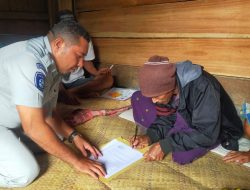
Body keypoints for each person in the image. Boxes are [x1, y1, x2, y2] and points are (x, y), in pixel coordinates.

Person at [0, 20, 106, 188]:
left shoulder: (53, 65)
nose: (80, 64)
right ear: (58, 44)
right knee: (25, 172)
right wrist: (77, 161)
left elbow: (48, 112)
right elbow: (33, 127)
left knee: (57, 137)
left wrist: (74, 136)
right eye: (79, 55)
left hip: (9, 118)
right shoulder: (29, 61)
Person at [130, 55, 243, 164]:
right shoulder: (165, 89)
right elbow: (165, 116)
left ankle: (217, 137)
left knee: (181, 156)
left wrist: (165, 145)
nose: (154, 101)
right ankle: (177, 128)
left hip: (215, 128)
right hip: (185, 114)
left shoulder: (203, 87)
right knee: (138, 97)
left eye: (157, 96)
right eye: (152, 97)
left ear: (171, 87)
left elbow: (206, 133)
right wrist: (150, 136)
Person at [56, 10, 113, 105]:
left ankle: (72, 93)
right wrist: (60, 90)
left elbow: (86, 62)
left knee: (108, 79)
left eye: (71, 24)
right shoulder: (56, 42)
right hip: (58, 84)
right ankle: (69, 94)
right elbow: (51, 74)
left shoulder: (84, 38)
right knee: (52, 90)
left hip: (78, 82)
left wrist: (97, 73)